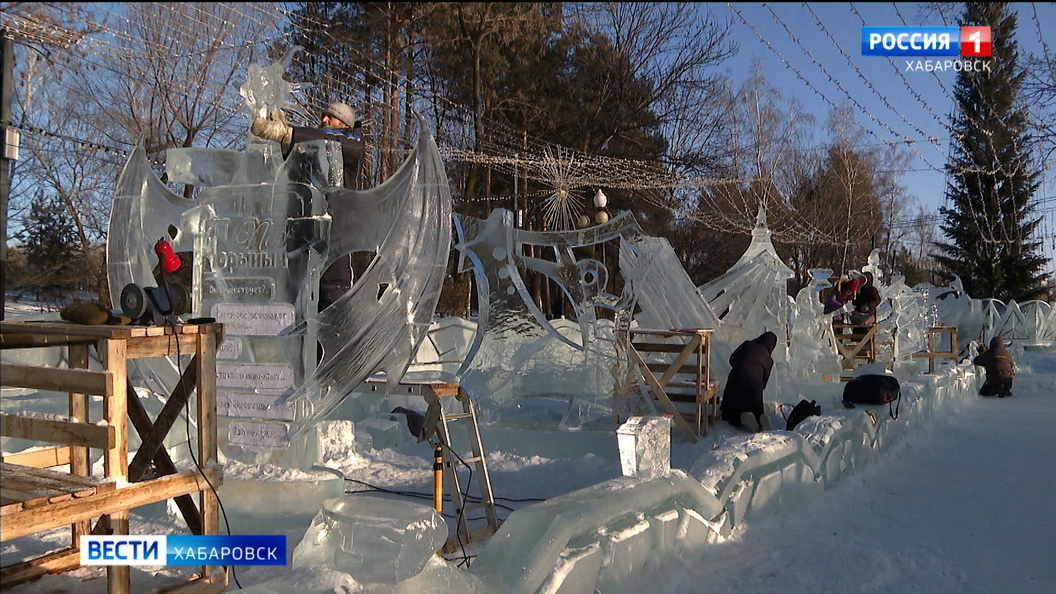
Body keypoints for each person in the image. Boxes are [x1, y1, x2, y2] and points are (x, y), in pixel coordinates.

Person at [251, 102, 366, 310]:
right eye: (323, 116)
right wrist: (286, 146)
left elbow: (331, 142)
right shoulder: (317, 148)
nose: (324, 119)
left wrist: (290, 134)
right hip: (302, 264)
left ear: (346, 125)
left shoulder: (352, 145)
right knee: (297, 331)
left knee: (331, 333)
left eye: (331, 117)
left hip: (334, 271)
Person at [720, 331, 778, 432]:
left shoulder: (747, 344)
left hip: (736, 381)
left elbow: (732, 360)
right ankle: (762, 417)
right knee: (756, 408)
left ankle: (742, 417)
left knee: (728, 412)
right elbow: (764, 382)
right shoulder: (769, 360)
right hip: (755, 387)